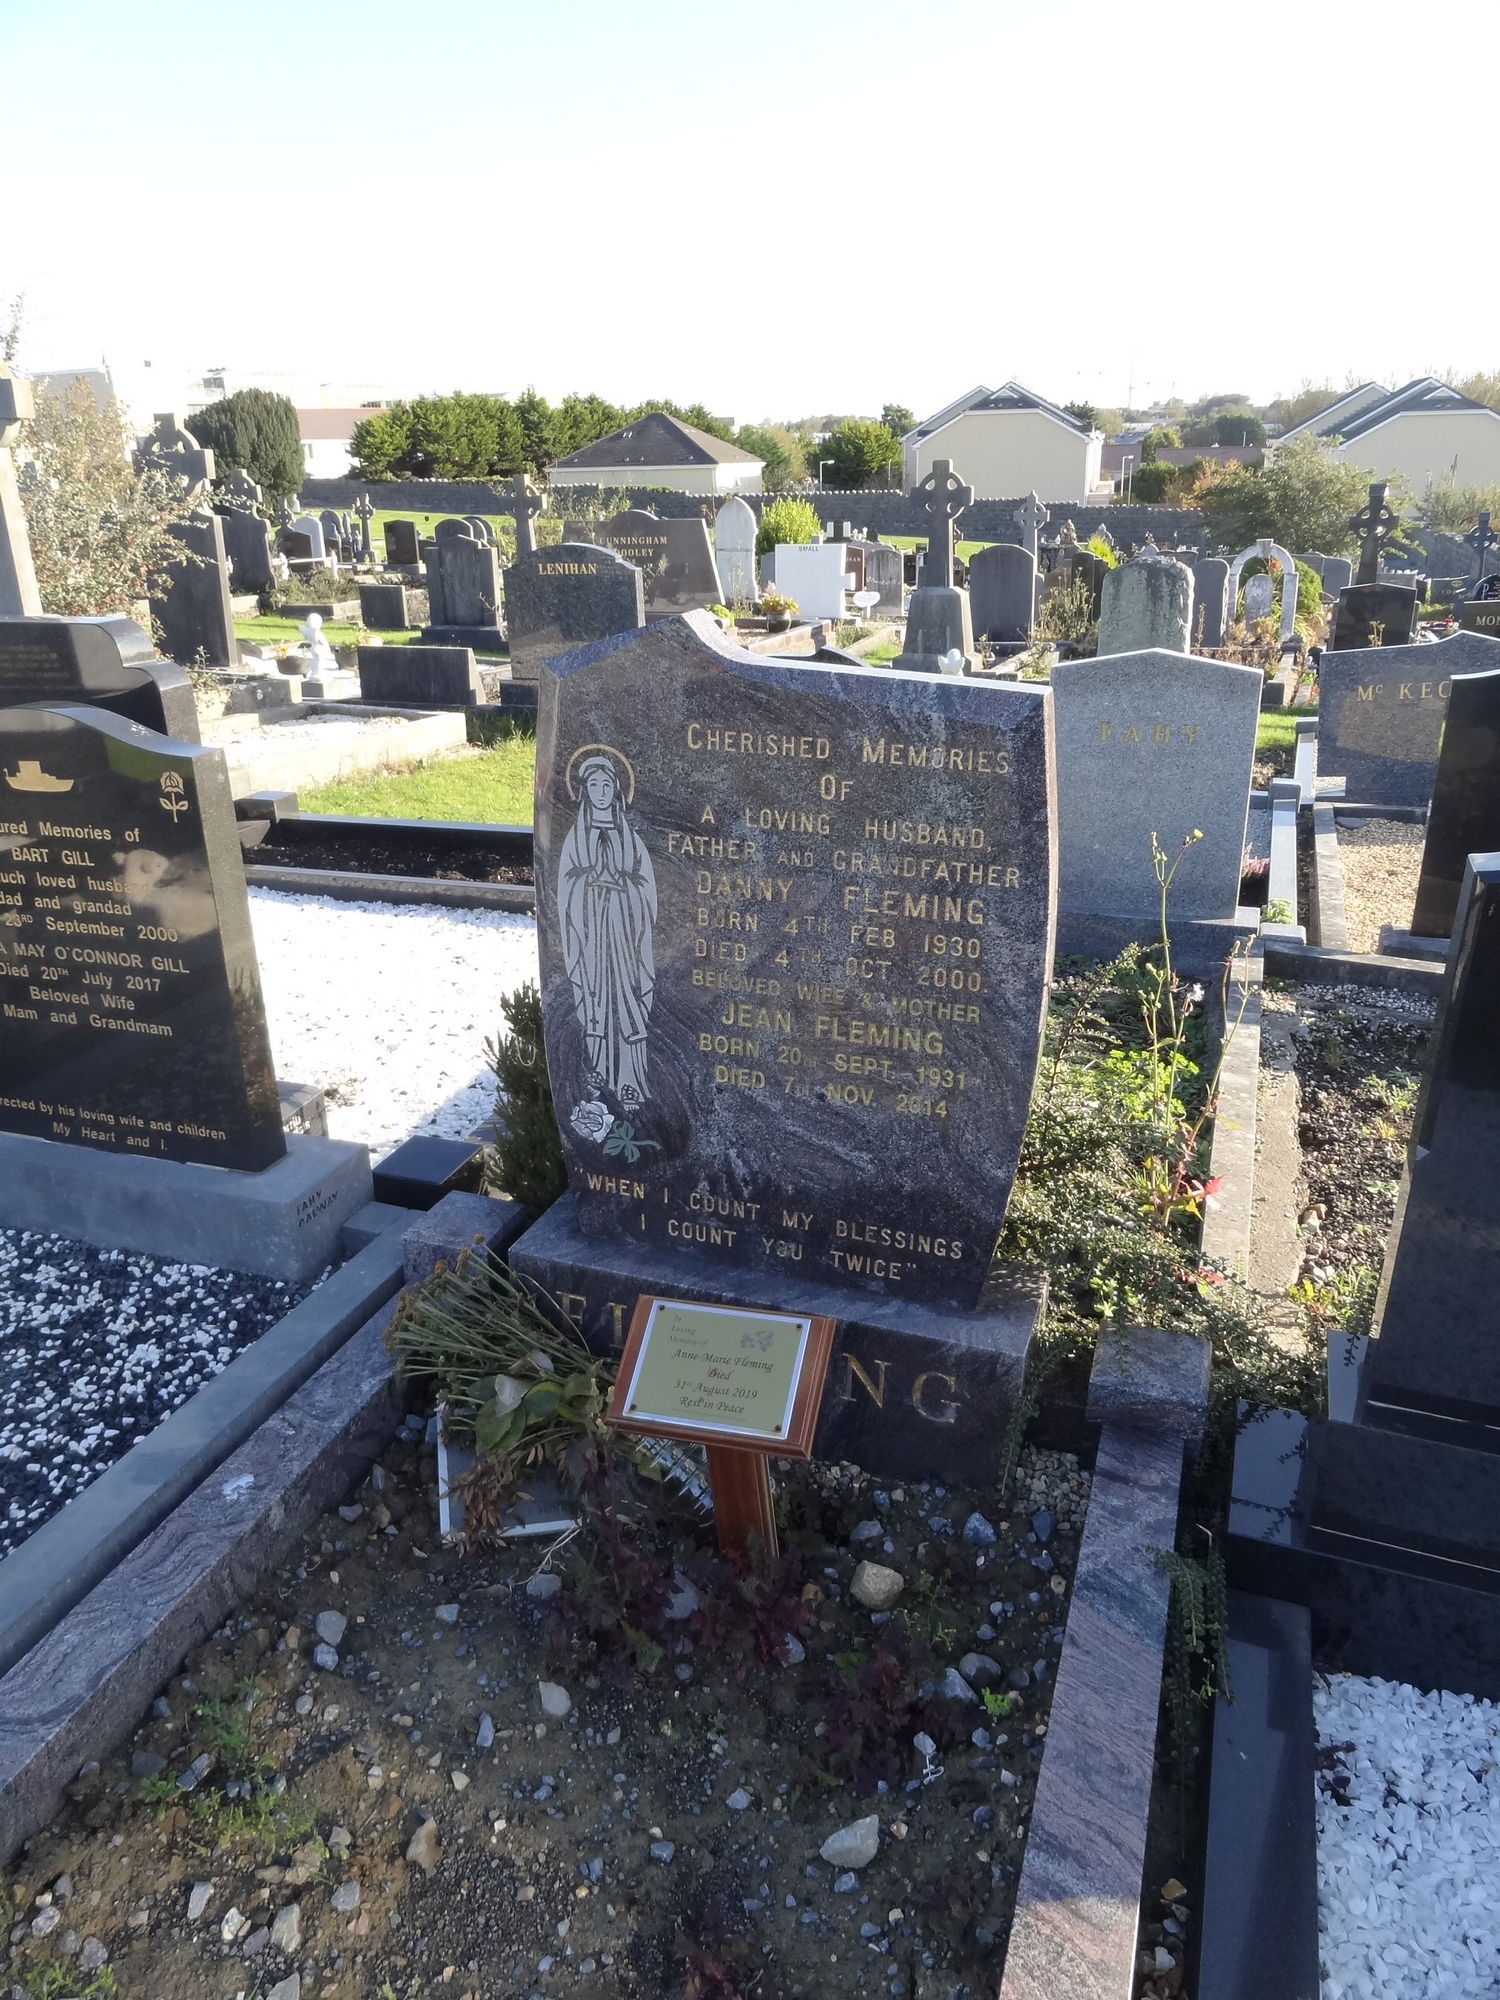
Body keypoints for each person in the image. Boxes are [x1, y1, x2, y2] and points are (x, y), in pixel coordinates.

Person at [557, 752, 656, 1111]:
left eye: (606, 785)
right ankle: (598, 1080)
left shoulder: (629, 836)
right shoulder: (576, 837)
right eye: (594, 785)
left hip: (625, 940)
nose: (600, 792)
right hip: (593, 941)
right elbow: (566, 886)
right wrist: (590, 882)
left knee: (628, 1004)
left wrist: (623, 886)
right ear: (584, 791)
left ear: (616, 790)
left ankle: (632, 1082)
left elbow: (646, 885)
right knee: (596, 1004)